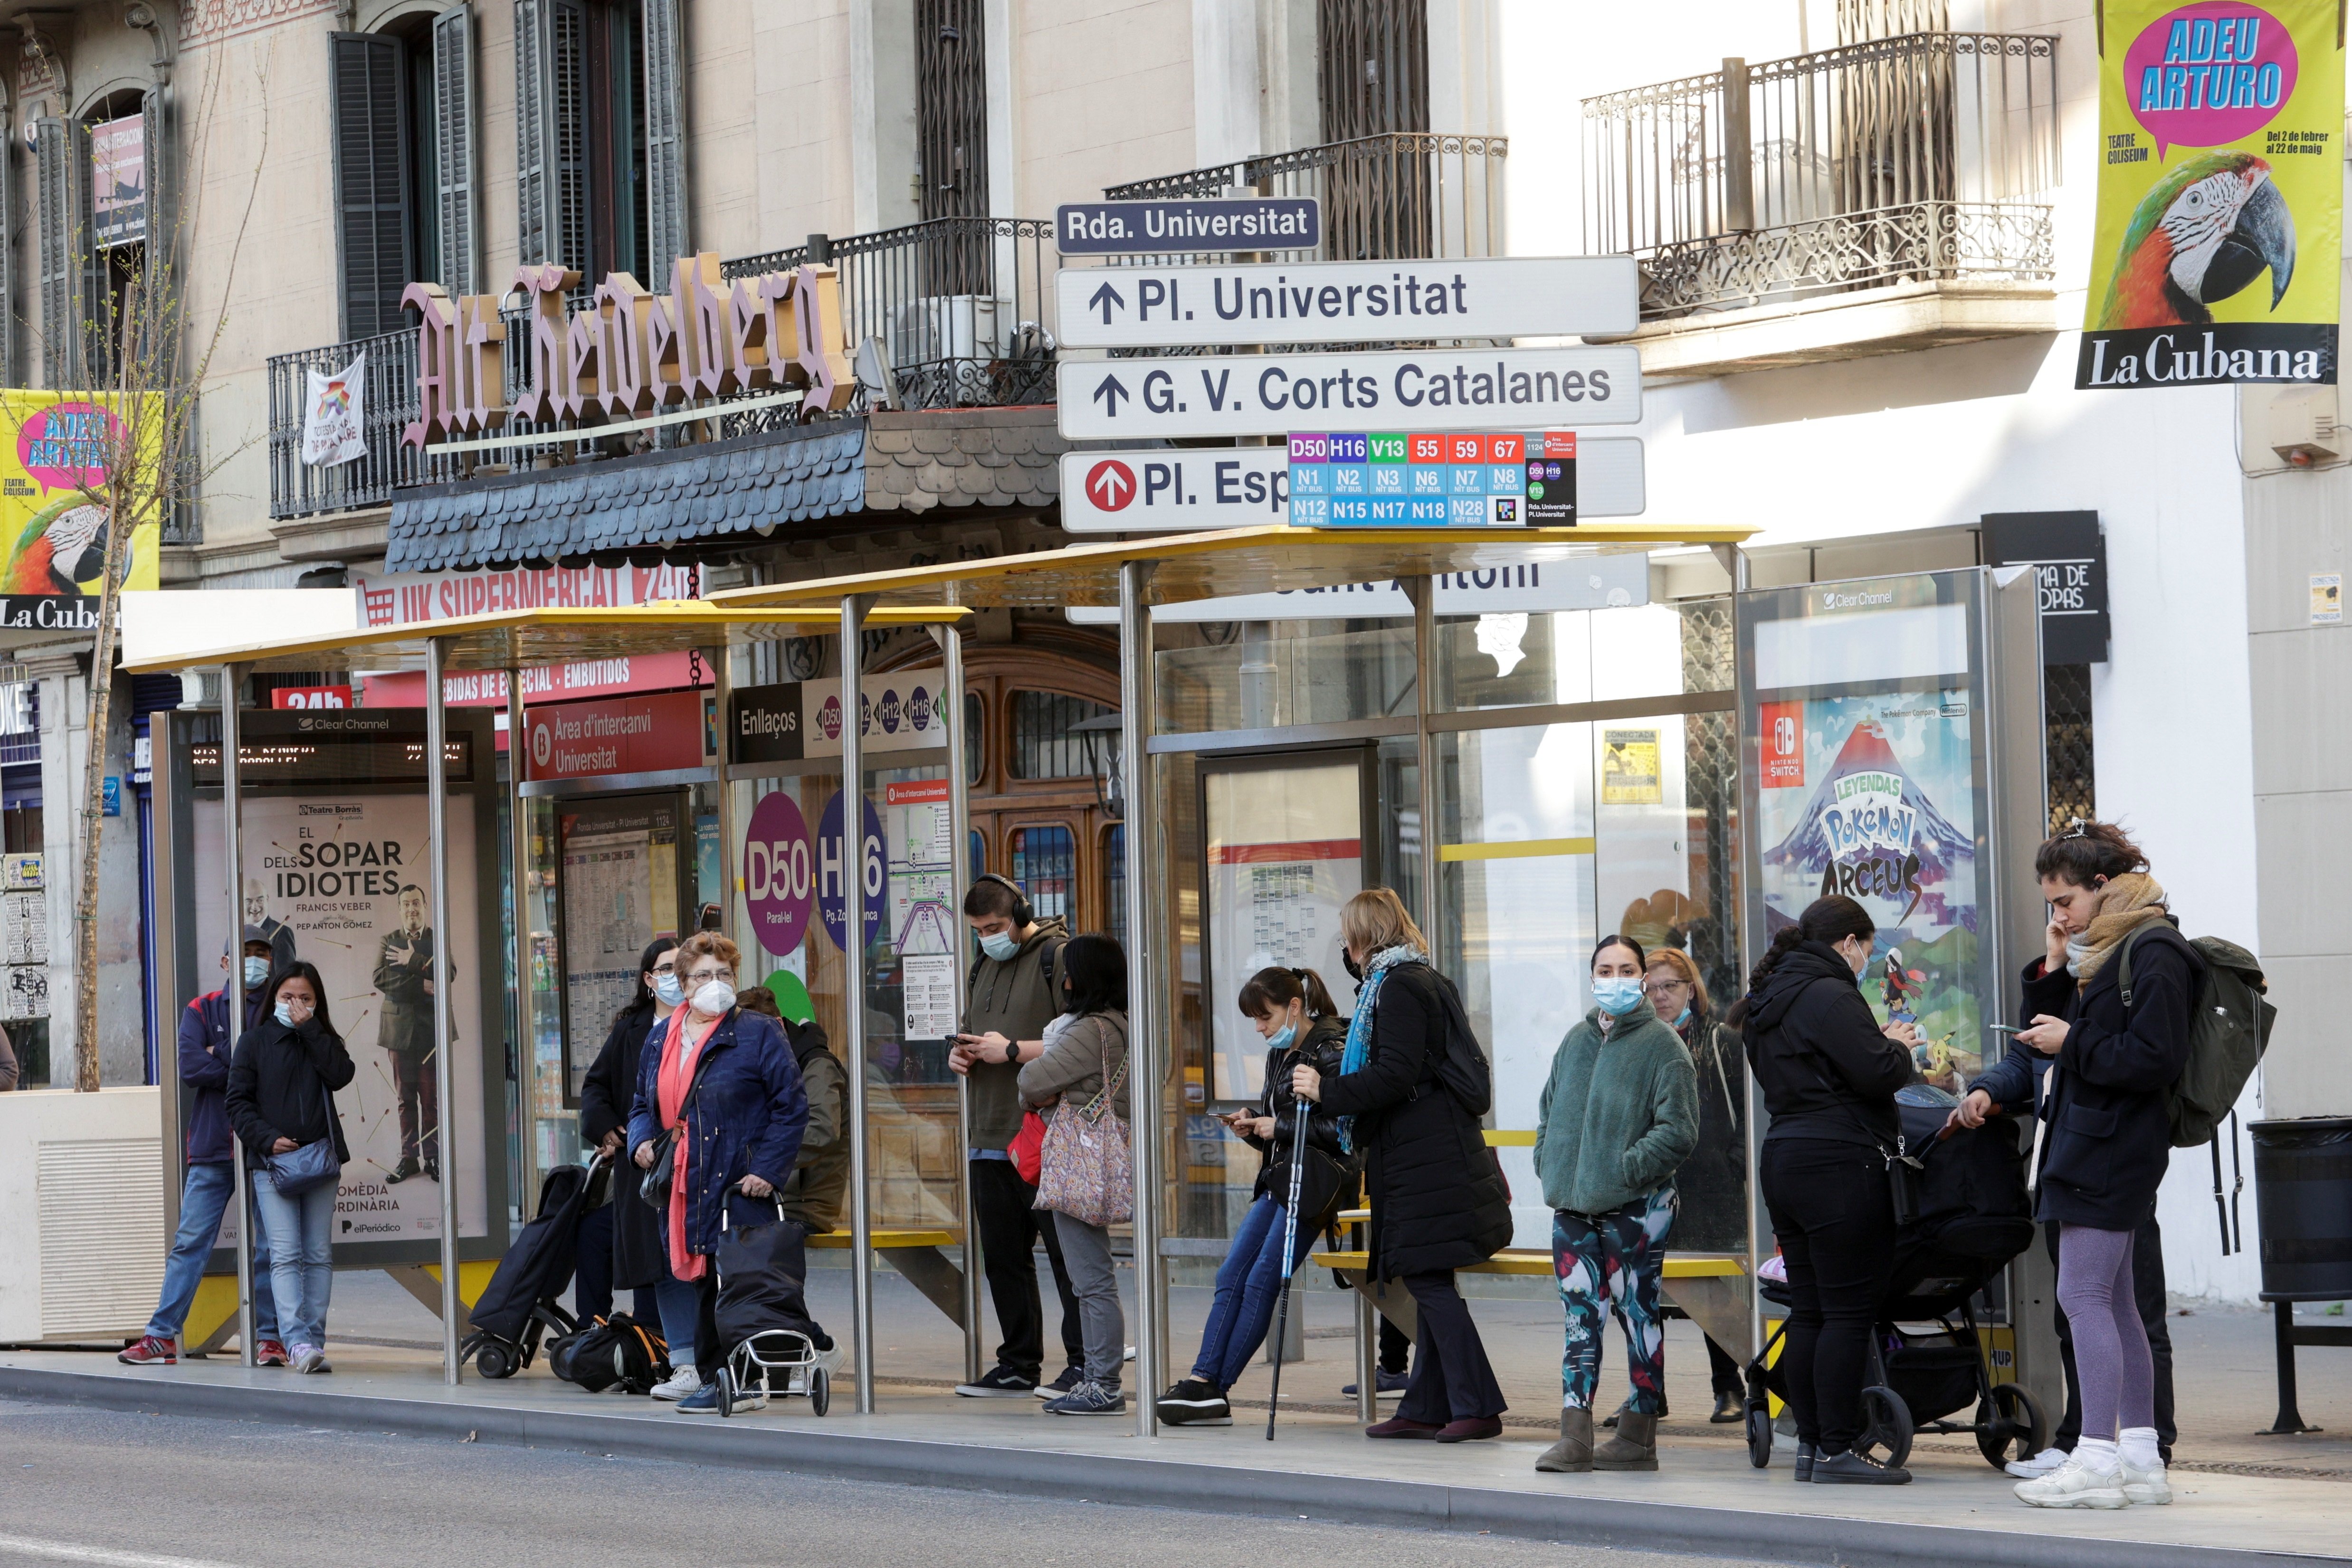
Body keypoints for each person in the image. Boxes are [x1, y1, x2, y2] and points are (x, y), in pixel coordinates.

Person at [1955, 820, 2192, 1509]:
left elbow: (2153, 1057)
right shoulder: (2105, 947)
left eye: (2063, 901)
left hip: (2109, 1146)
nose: (2056, 914)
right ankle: (2141, 1457)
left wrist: (2072, 1038)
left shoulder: (2152, 949)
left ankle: (2094, 1456)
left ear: (2101, 885)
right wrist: (2057, 964)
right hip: (2093, 1141)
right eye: (2049, 905)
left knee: (2082, 1298)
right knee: (2113, 1304)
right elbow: (2042, 1040)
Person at [1292, 888, 1513, 1444]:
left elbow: (1394, 1074)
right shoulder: (1412, 980)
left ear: (1366, 936)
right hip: (1422, 1151)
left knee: (1425, 1276)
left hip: (1426, 1155)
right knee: (1428, 1275)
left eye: (1348, 935)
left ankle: (1478, 1404)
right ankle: (1426, 1404)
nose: (1345, 946)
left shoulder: (1400, 988)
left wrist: (1327, 1089)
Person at [1736, 895, 1920, 1484]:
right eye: (1866, 947)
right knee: (1846, 1312)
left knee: (1812, 1310)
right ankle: (1838, 1446)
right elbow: (1876, 1072)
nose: (1866, 958)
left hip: (1786, 1159)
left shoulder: (1769, 998)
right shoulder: (1830, 994)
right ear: (1848, 943)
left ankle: (1812, 1446)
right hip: (1839, 1164)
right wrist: (1899, 1047)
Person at [1532, 935, 1698, 1474]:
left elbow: (1679, 1131)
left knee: (1636, 1313)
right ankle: (1574, 1433)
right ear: (1592, 976)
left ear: (1643, 976)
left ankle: (1638, 1433)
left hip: (1638, 1205)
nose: (1616, 978)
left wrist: (1626, 1170)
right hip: (1572, 1206)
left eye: (1627, 968)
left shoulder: (1663, 1046)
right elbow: (1548, 1110)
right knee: (1579, 1316)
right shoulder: (1574, 1042)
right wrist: (1549, 1162)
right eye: (1606, 969)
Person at [1158, 965, 1351, 1427]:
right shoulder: (1282, 1053)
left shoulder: (1330, 1049)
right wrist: (1254, 1126)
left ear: (1295, 1006)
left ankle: (1216, 1387)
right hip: (1280, 1178)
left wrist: (1276, 1126)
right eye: (1255, 1020)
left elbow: (1344, 1131)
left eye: (1264, 1017)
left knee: (1263, 1278)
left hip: (1315, 1184)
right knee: (1232, 1273)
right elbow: (1282, 1129)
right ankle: (1204, 1379)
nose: (1260, 1028)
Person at [628, 931, 809, 1414]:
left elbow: (791, 1106)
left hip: (738, 1177)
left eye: (724, 974)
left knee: (731, 1278)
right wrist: (640, 1141)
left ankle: (731, 1379)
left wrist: (769, 1169)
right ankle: (723, 1377)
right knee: (702, 1276)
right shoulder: (661, 1037)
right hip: (682, 1177)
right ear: (684, 984)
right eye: (704, 975)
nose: (716, 984)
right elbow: (642, 1103)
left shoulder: (758, 1031)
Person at [946, 873, 1086, 1399]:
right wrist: (961, 1052)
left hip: (1042, 1132)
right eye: (979, 929)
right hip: (987, 1130)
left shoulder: (1057, 958)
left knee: (1064, 1253)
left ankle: (1082, 1360)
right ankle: (1018, 1361)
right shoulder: (982, 963)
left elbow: (1081, 1041)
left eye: (996, 926)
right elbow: (973, 1030)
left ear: (1022, 916)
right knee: (1003, 1256)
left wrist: (1009, 1050)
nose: (988, 936)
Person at [120, 931, 286, 1367]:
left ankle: (270, 1339)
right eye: (245, 954)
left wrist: (223, 1052)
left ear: (272, 960)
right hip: (213, 1147)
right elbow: (192, 1067)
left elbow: (278, 1071)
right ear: (226, 961)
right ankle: (161, 1336)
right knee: (190, 1242)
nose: (254, 961)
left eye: (261, 954)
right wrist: (245, 1059)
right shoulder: (202, 1007)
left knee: (270, 1247)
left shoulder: (280, 1008)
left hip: (266, 1148)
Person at [1016, 932, 1133, 1415]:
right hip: (1105, 1153)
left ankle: (1102, 1382)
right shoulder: (1125, 1024)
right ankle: (1098, 1378)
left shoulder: (1091, 1030)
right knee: (1093, 1276)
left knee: (1090, 1279)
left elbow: (1030, 1080)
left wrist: (1045, 1093)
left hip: (1080, 1160)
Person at [226, 961, 354, 1376]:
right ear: (274, 998)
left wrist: (311, 1030)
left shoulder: (322, 1037)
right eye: (287, 997)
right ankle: (295, 1341)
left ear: (317, 1003)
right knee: (284, 1254)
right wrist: (266, 1139)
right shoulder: (255, 1041)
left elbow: (341, 1074)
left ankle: (314, 1341)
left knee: (318, 1254)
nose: (295, 1005)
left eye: (305, 998)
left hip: (319, 1161)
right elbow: (237, 1102)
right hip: (272, 1164)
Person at [1646, 945, 1751, 1425]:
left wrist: (1733, 1166)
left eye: (1671, 985)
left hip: (1711, 1186)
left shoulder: (1720, 1040)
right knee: (1643, 1290)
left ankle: (1728, 1387)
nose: (1661, 995)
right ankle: (1648, 1391)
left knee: (1710, 1290)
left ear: (1691, 989)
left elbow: (1748, 1114)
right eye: (1652, 987)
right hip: (1651, 1184)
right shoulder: (1638, 1040)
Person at [575, 939, 678, 1335]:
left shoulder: (702, 1024)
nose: (675, 977)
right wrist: (609, 1129)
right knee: (624, 1243)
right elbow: (596, 1087)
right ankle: (616, 1334)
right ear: (650, 979)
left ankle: (670, 1343)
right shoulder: (630, 1029)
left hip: (686, 1159)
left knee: (671, 1251)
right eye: (665, 969)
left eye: (680, 967)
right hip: (641, 1163)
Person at [737, 987, 847, 1235]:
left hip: (801, 1204)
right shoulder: (766, 1065)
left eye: (753, 1038)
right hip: (770, 1195)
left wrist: (760, 1161)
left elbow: (822, 1129)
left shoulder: (817, 1066)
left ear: (778, 1025)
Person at [372, 883, 447, 1184]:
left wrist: (410, 962)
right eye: (406, 904)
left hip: (431, 1032)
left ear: (425, 906)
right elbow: (380, 978)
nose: (412, 909)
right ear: (400, 909)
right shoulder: (388, 940)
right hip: (399, 1032)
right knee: (405, 1099)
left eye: (417, 903)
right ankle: (409, 1158)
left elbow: (447, 973)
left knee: (430, 1099)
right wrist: (421, 986)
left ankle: (433, 1157)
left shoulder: (436, 938)